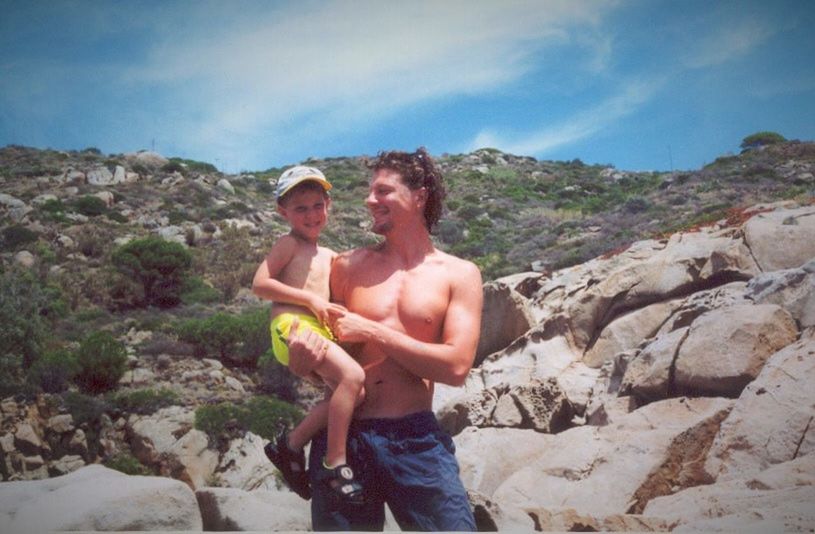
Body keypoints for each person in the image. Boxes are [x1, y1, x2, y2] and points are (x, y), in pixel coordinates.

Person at [286, 148, 483, 531]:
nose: (369, 200)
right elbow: (329, 366)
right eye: (370, 191)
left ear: (419, 196)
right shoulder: (345, 267)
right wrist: (301, 364)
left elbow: (457, 367)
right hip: (343, 441)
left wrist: (374, 331)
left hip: (415, 439)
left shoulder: (459, 275)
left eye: (383, 191)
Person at [251, 165, 366, 506]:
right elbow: (260, 284)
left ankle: (290, 445)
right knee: (354, 376)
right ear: (282, 211)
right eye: (300, 208)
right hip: (291, 326)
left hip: (317, 330)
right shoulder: (288, 244)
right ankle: (336, 463)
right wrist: (312, 300)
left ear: (328, 205)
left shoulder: (330, 256)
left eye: (318, 205)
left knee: (352, 393)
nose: (311, 214)